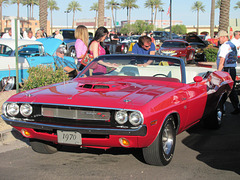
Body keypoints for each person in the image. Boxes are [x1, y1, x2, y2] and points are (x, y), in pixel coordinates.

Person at [216, 30, 240, 114]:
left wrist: (218, 72)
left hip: (227, 69)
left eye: (219, 38)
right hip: (232, 69)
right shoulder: (232, 45)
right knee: (231, 89)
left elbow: (222, 60)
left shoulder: (224, 46)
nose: (218, 40)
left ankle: (220, 108)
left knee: (225, 89)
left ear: (223, 37)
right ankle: (236, 107)